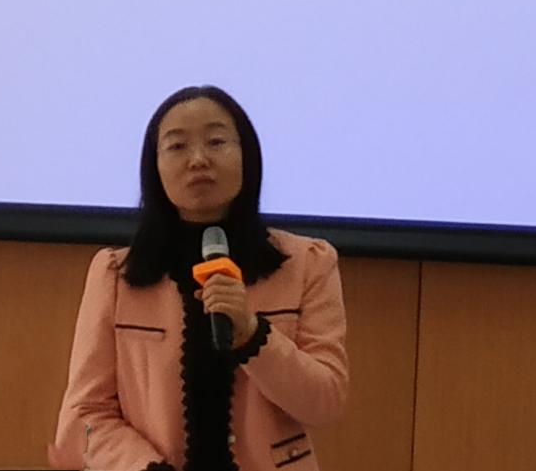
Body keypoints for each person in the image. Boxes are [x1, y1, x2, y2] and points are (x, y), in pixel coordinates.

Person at [48, 86, 349, 471]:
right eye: (177, 146)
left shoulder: (307, 263)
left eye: (216, 142)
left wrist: (253, 336)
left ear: (247, 156)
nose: (198, 160)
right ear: (154, 167)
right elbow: (85, 415)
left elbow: (325, 403)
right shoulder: (115, 275)